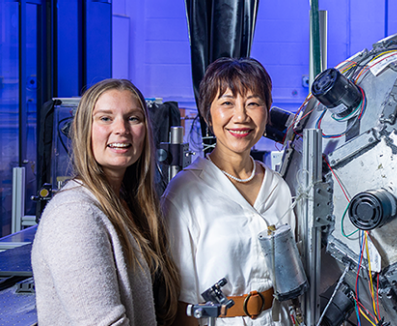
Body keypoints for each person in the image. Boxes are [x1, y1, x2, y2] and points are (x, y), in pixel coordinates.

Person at [31, 79, 181, 325]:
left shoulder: (129, 205)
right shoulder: (74, 215)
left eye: (133, 118)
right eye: (105, 118)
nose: (121, 129)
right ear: (83, 130)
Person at [163, 57, 295, 325]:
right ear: (207, 113)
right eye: (227, 103)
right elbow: (180, 305)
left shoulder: (279, 188)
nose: (241, 116)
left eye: (253, 103)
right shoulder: (184, 193)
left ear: (267, 112)